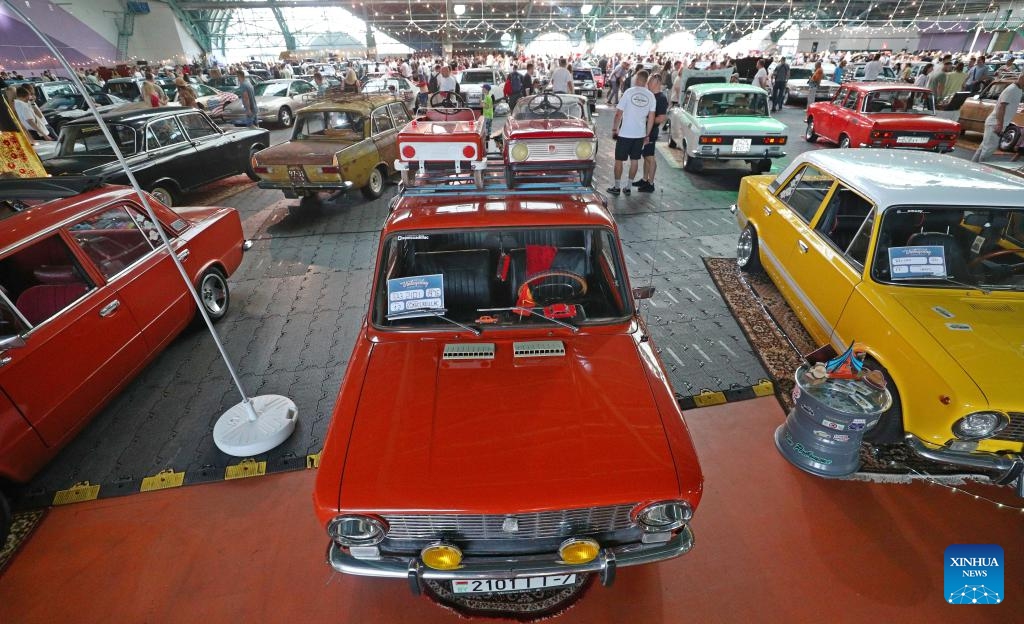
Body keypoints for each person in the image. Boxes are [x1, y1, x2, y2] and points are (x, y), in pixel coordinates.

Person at [607, 70, 655, 197]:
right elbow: (651, 118)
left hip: (625, 133)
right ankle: (628, 187)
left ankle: (617, 187)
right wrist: (647, 134)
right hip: (639, 134)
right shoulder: (651, 96)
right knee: (635, 160)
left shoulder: (628, 92)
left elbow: (618, 113)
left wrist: (614, 129)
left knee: (619, 160)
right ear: (646, 81)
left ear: (638, 79)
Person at [971, 71, 1024, 163]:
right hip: (995, 122)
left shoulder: (1018, 90)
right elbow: (1001, 107)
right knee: (989, 148)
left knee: (984, 147)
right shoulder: (1012, 89)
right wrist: (999, 124)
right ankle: (980, 168)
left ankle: (973, 166)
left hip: (998, 122)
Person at [633, 73, 669, 193]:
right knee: (646, 156)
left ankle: (651, 183)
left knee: (650, 157)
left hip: (651, 132)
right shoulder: (650, 95)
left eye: (650, 81)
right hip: (644, 131)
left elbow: (662, 117)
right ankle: (645, 179)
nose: (648, 83)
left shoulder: (661, 98)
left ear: (657, 82)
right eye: (648, 81)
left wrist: (648, 120)